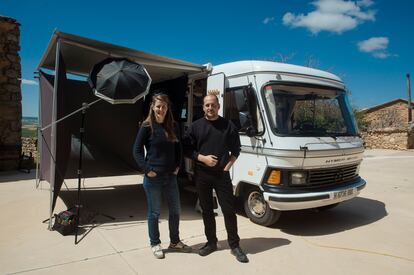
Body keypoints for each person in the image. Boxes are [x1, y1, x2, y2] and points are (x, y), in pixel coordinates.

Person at [184, 94, 249, 263]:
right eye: (207, 105)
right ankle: (211, 243)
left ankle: (234, 245)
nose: (209, 108)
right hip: (202, 175)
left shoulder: (228, 126)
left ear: (218, 106)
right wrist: (202, 158)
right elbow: (186, 149)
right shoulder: (195, 127)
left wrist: (227, 166)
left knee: (228, 210)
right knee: (207, 211)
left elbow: (236, 149)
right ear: (203, 107)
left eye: (212, 105)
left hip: (222, 176)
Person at [133, 93, 191, 259]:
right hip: (153, 178)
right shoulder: (146, 126)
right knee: (155, 213)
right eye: (158, 106)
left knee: (176, 211)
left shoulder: (172, 125)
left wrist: (178, 166)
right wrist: (147, 169)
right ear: (152, 107)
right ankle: (155, 243)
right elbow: (136, 151)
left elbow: (179, 149)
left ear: (167, 108)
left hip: (170, 178)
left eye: (164, 106)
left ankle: (174, 241)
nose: (161, 109)